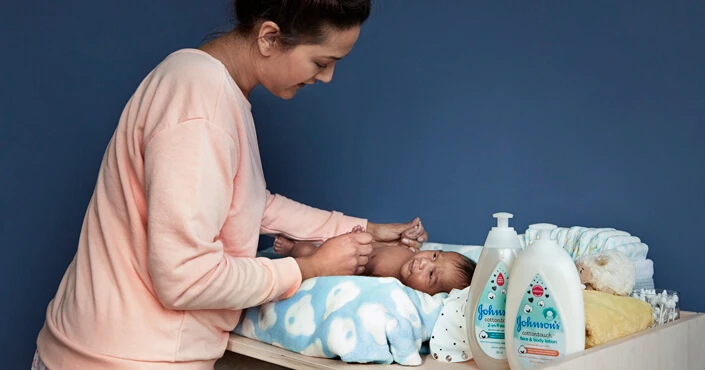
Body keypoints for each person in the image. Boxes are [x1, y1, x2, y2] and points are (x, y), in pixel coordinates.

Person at [33, 1, 428, 369]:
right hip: (124, 358)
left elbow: (254, 204)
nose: (327, 77)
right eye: (322, 61)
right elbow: (186, 279)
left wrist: (366, 229)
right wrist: (307, 268)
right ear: (270, 37)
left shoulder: (204, 84)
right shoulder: (201, 106)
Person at [273, 227, 477, 295]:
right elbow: (382, 245)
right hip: (349, 246)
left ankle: (292, 249)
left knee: (306, 250)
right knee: (317, 244)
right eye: (435, 255)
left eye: (431, 274)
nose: (424, 262)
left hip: (341, 262)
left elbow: (360, 277)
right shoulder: (409, 254)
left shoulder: (392, 282)